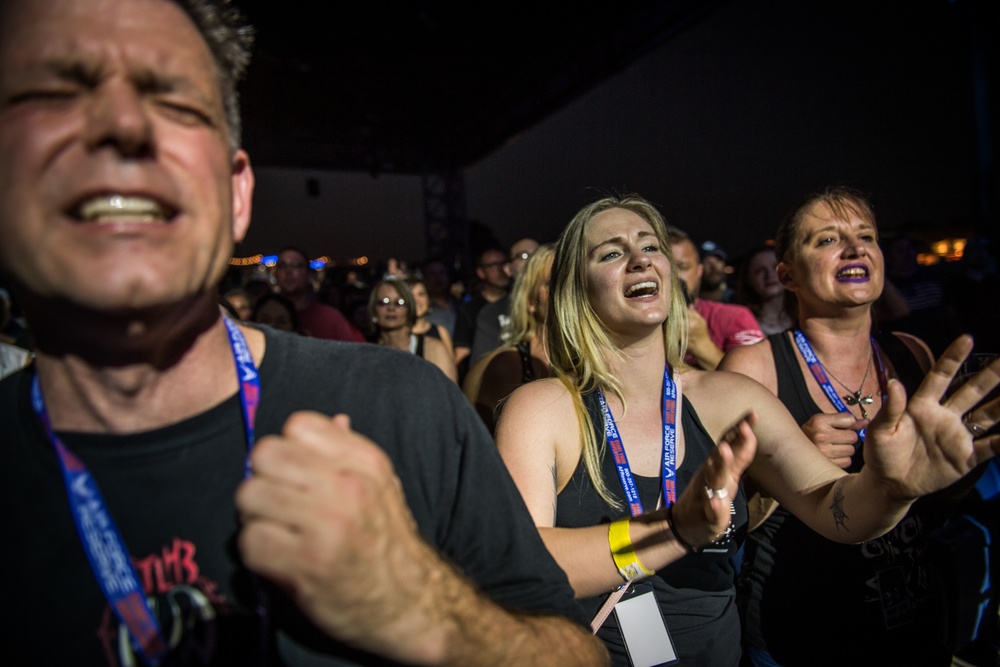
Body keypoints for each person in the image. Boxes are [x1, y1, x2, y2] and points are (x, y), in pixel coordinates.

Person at [0, 1, 609, 665]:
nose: (121, 125)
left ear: (236, 194)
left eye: (174, 101)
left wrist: (427, 609)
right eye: (52, 93)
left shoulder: (401, 406)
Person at [494, 193, 1000, 666]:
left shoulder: (729, 398)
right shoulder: (542, 409)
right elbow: (524, 563)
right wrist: (673, 530)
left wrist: (891, 488)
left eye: (651, 246)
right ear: (574, 289)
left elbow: (836, 510)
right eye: (610, 253)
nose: (641, 257)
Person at [719, 188, 979, 666]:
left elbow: (940, 500)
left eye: (866, 237)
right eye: (827, 240)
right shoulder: (753, 368)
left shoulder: (911, 353)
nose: (856, 248)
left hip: (912, 619)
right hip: (801, 631)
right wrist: (788, 460)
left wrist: (965, 461)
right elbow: (720, 518)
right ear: (787, 274)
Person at [463, 244, 554, 434]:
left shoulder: (603, 358)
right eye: (552, 282)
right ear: (530, 301)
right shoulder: (506, 366)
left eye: (573, 279)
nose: (567, 289)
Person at [668, 227, 764, 370]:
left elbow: (757, 382)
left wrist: (702, 345)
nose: (673, 276)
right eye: (666, 267)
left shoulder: (734, 317)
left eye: (682, 267)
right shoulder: (637, 323)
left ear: (699, 271)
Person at [368, 279, 458, 383]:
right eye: (384, 302)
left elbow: (449, 394)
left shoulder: (434, 349)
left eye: (399, 302)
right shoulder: (365, 352)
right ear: (373, 310)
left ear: (409, 309)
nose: (391, 308)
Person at [469, 237, 540, 364]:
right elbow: (481, 368)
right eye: (523, 255)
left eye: (539, 254)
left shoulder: (563, 306)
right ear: (508, 269)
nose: (533, 260)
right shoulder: (491, 313)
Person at [274, 245, 364, 342]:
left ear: (309, 275)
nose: (288, 271)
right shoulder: (265, 316)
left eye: (296, 265)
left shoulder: (330, 319)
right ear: (275, 274)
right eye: (282, 266)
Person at [453, 246, 510, 372]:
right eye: (494, 265)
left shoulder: (520, 303)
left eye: (504, 263)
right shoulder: (469, 309)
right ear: (481, 272)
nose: (501, 269)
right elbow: (461, 356)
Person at [733, 245, 795, 335]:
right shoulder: (740, 323)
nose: (769, 275)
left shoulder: (806, 314)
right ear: (748, 279)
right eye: (759, 271)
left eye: (775, 267)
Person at [407, 277, 455, 358]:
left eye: (421, 294)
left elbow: (450, 368)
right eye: (410, 295)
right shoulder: (397, 333)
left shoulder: (441, 332)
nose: (416, 300)